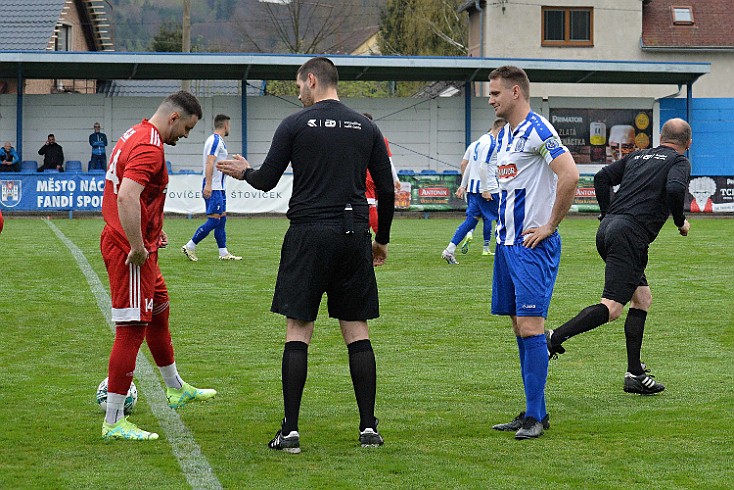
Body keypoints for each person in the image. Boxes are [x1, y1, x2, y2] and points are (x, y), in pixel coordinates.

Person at [217, 57, 395, 453]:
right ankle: (368, 428)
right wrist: (380, 239)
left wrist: (245, 171)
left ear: (312, 81)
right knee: (356, 331)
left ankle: (291, 431)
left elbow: (266, 181)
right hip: (353, 236)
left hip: (308, 235)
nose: (298, 93)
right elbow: (385, 189)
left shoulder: (295, 125)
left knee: (299, 331)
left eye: (299, 86)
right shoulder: (366, 126)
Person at [99, 91, 217, 441]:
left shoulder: (136, 133)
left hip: (140, 245)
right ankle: (114, 420)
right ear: (173, 117)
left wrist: (152, 231)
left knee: (160, 307)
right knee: (132, 329)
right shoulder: (150, 147)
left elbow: (137, 194)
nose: (185, 136)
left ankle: (175, 387)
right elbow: (126, 196)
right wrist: (137, 245)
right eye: (187, 128)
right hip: (130, 251)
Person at [546, 118, 692, 395]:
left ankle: (635, 374)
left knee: (642, 298)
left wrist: (606, 213)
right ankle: (553, 338)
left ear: (661, 137)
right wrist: (680, 222)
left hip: (609, 230)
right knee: (612, 307)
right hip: (629, 236)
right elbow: (674, 189)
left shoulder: (637, 155)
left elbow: (602, 178)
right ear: (689, 143)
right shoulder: (679, 162)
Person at [487, 66, 579, 439]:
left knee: (531, 326)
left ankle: (536, 419)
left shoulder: (539, 130)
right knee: (518, 326)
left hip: (532, 246)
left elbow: (570, 175)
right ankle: (532, 410)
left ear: (515, 92)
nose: (490, 99)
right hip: (507, 244)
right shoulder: (505, 134)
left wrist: (550, 226)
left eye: (494, 93)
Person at [441, 117, 505, 264]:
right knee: (506, 217)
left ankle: (449, 250)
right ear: (501, 130)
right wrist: (486, 189)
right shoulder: (492, 143)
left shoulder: (479, 141)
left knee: (471, 221)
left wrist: (463, 185)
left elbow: (470, 165)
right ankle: (511, 254)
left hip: (474, 190)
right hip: (487, 189)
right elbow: (483, 167)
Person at [181, 114, 242, 261]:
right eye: (230, 125)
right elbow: (210, 162)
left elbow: (216, 163)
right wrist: (208, 184)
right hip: (213, 187)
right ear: (226, 125)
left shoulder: (218, 141)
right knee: (214, 220)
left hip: (219, 187)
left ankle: (223, 253)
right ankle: (190, 246)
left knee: (222, 220)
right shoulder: (215, 141)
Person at [362, 112, 400, 234]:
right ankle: (364, 232)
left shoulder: (358, 136)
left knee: (370, 205)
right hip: (379, 177)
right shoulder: (381, 138)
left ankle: (379, 234)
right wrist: (395, 178)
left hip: (366, 176)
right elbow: (388, 160)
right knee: (371, 205)